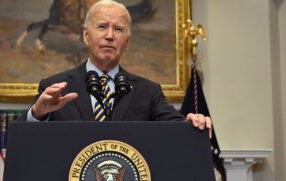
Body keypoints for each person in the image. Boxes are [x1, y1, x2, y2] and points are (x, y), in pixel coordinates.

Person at [24, 0, 212, 136]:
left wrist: (191, 123)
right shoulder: (55, 87)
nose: (110, 36)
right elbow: (20, 138)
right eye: (102, 26)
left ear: (127, 42)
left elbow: (174, 124)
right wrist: (37, 114)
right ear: (86, 36)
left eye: (119, 29)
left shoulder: (147, 91)